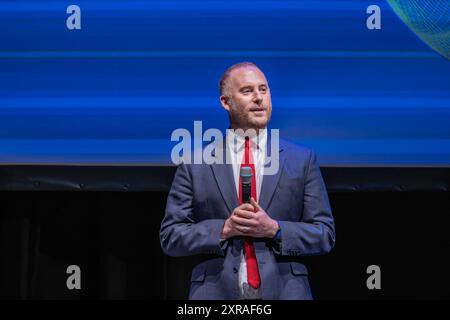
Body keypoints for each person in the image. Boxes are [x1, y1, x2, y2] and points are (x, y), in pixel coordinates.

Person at [160, 62, 335, 300]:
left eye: (263, 89)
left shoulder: (301, 159)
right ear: (225, 102)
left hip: (286, 292)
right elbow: (171, 236)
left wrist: (274, 229)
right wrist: (223, 229)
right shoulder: (195, 163)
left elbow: (324, 234)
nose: (259, 98)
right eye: (247, 91)